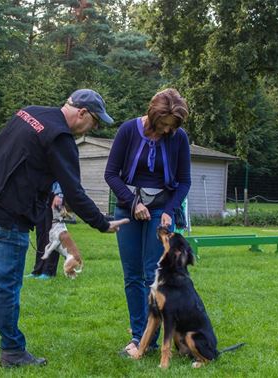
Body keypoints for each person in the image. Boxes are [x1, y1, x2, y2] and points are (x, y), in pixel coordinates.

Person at [0, 89, 129, 368]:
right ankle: (12, 351)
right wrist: (102, 223)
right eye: (95, 122)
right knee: (8, 284)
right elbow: (74, 192)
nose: (94, 128)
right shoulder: (61, 138)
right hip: (7, 212)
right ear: (82, 113)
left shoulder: (32, 111)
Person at [104, 88, 191, 358]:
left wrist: (169, 209)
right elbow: (111, 174)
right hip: (128, 208)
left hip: (159, 212)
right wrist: (132, 202)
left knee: (151, 275)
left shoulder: (179, 138)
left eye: (172, 126)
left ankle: (149, 340)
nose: (167, 131)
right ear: (154, 115)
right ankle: (137, 335)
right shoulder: (128, 130)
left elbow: (183, 180)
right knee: (131, 275)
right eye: (164, 124)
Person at [27, 182, 64, 280]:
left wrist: (59, 194)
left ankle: (49, 271)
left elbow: (61, 173)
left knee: (52, 235)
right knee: (41, 234)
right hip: (42, 194)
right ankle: (38, 270)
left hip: (54, 194)